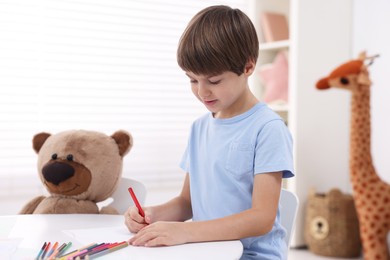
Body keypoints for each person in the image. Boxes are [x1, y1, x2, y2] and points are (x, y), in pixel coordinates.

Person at [125, 5, 294, 260]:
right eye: (192, 80)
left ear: (248, 67)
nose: (202, 92)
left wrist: (185, 232)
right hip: (207, 250)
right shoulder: (199, 128)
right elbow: (186, 203)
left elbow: (262, 218)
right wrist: (150, 215)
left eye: (213, 81)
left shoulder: (268, 129)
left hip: (251, 255)